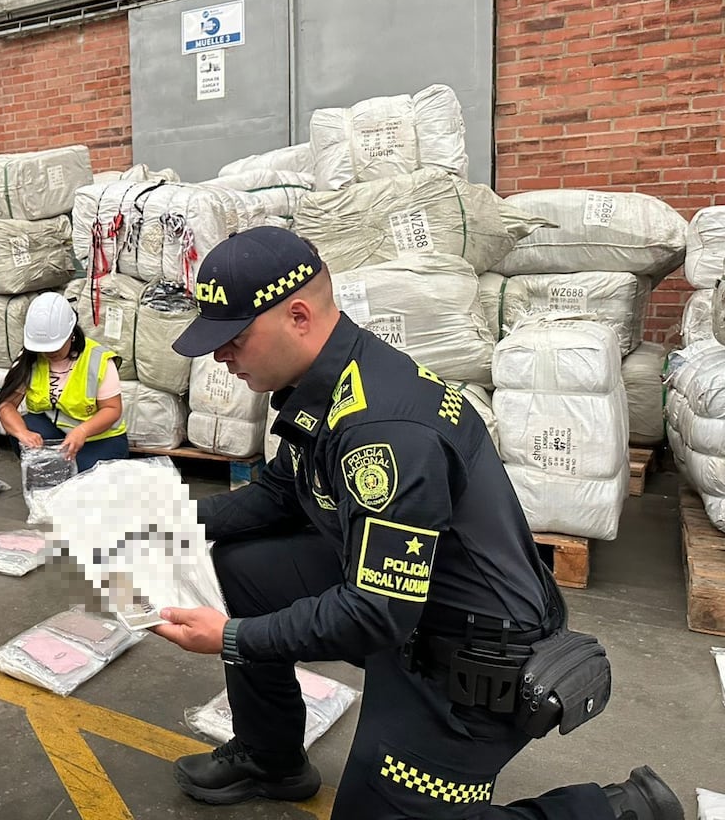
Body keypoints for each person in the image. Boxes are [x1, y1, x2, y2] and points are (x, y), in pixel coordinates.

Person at [151, 227, 682, 820]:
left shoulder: (382, 430)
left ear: (297, 316)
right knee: (240, 568)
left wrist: (230, 638)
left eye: (234, 340)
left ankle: (619, 811)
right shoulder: (330, 381)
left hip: (470, 655)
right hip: (409, 605)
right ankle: (270, 756)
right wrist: (159, 520)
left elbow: (373, 615)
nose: (221, 358)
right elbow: (280, 493)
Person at [0, 292, 129, 472]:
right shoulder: (30, 358)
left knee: (85, 478)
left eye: (55, 346)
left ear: (71, 334)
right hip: (55, 430)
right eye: (43, 348)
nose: (49, 353)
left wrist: (82, 431)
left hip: (99, 437)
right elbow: (6, 405)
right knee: (30, 433)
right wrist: (22, 433)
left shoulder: (98, 359)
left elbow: (112, 409)